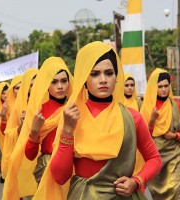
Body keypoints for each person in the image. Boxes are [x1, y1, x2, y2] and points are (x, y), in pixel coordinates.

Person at [33, 41, 162, 200]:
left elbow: (154, 159)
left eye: (109, 73)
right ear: (84, 80)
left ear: (116, 77)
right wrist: (67, 130)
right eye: (94, 74)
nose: (103, 80)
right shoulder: (72, 116)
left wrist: (136, 182)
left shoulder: (132, 117)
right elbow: (60, 176)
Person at [2, 58, 73, 200]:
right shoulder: (39, 111)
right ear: (47, 84)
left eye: (63, 81)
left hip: (73, 169)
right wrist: (34, 132)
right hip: (48, 168)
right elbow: (30, 155)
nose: (60, 86)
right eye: (54, 82)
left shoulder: (76, 107)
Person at [140, 68, 180, 200]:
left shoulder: (176, 105)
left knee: (178, 190)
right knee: (161, 194)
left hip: (175, 153)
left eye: (166, 86)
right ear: (153, 88)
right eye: (160, 86)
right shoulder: (146, 108)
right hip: (155, 156)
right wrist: (152, 120)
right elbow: (143, 137)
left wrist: (176, 136)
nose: (163, 89)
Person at [1, 69, 38, 181]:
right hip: (23, 150)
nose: (34, 88)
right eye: (31, 85)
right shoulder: (17, 107)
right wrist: (3, 117)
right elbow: (7, 132)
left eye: (37, 84)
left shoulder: (49, 102)